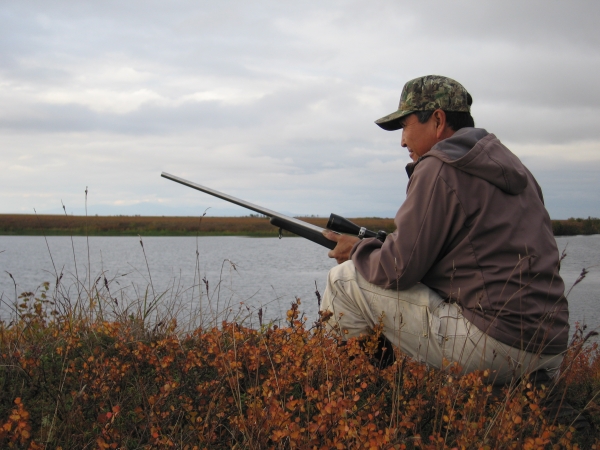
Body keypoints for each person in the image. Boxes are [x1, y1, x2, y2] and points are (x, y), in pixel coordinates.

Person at [321, 75, 569, 385]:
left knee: (344, 281)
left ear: (438, 120)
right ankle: (517, 388)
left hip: (494, 344)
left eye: (405, 126)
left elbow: (399, 269)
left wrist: (356, 250)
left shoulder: (439, 167)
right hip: (550, 346)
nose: (401, 141)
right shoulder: (515, 169)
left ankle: (374, 398)